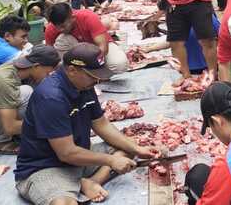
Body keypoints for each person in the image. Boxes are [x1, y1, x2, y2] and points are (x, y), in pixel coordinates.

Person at [14, 43, 161, 205]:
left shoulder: (83, 85)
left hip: (78, 157)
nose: (98, 80)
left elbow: (101, 124)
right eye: (92, 75)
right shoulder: (51, 97)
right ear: (71, 70)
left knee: (126, 149)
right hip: (46, 166)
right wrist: (110, 161)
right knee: (63, 203)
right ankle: (77, 184)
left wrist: (137, 149)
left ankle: (90, 182)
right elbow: (66, 153)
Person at [141, 0, 222, 75]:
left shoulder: (178, 20)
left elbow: (171, 42)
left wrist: (149, 49)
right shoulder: (209, 18)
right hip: (209, 67)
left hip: (189, 68)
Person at [44, 2, 128, 74]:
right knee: (62, 39)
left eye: (63, 26)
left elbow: (103, 47)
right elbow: (50, 55)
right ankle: (74, 73)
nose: (60, 30)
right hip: (77, 52)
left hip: (97, 47)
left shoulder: (87, 17)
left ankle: (94, 73)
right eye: (57, 27)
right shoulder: (51, 29)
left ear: (73, 18)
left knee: (119, 64)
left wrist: (92, 64)